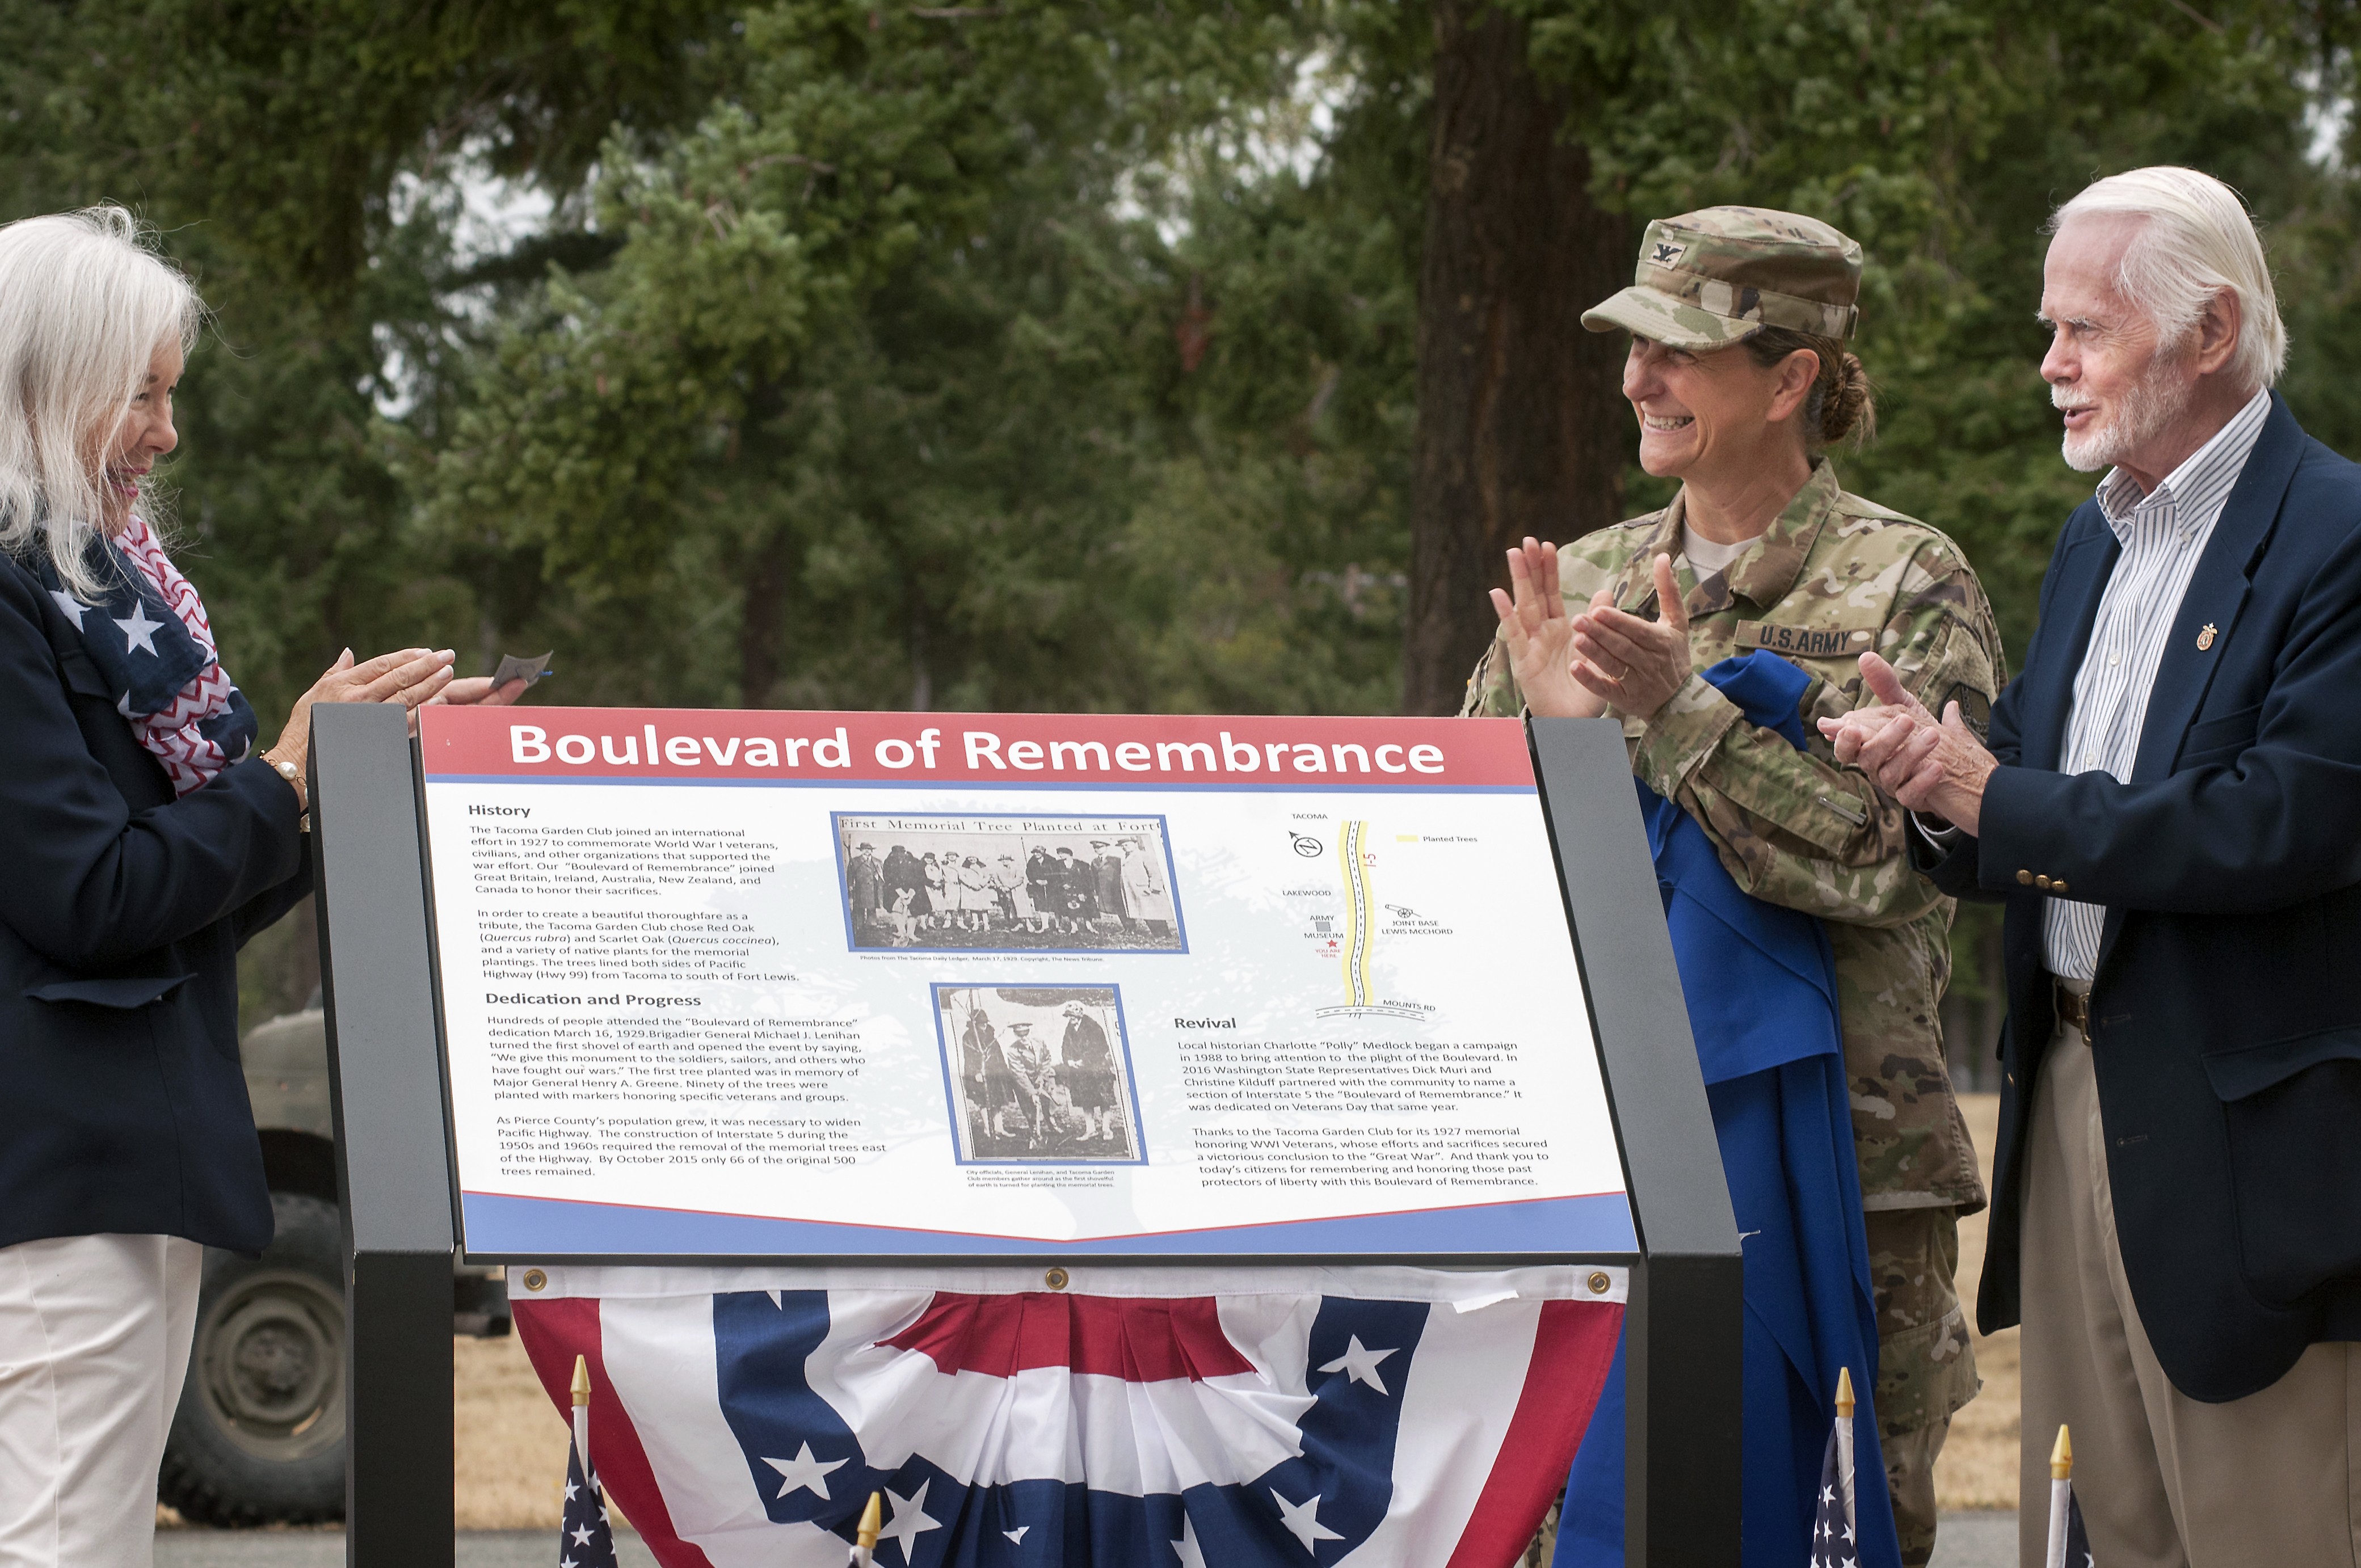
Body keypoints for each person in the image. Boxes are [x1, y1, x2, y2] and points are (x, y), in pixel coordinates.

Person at [1826, 166, 2361, 1565]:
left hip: (2247, 1153)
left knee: (2267, 1536)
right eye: (2046, 329)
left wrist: (1987, 788)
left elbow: (2273, 820)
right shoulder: (2092, 536)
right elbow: (2028, 783)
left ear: (2209, 331)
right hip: (2063, 1102)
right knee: (2089, 1533)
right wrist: (1927, 782)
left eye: (2084, 331)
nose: (2049, 366)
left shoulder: (2337, 537)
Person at [1463, 206, 2003, 1567]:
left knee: (1822, 1524)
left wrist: (1678, 716)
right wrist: (1560, 742)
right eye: (1631, 348)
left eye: (1677, 350)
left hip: (1842, 1175)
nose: (1638, 379)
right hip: (1595, 1167)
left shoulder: (1905, 580)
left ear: (1789, 376)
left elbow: (1888, 860)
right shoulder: (1575, 581)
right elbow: (1466, 888)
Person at [0, 206, 520, 1567]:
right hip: (60, 1179)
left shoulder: (101, 598)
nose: (169, 433)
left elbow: (193, 910)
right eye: (144, 394)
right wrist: (283, 770)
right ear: (43, 385)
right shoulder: (10, 598)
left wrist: (342, 775)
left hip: (130, 1169)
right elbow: (93, 896)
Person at [1057, 1001, 1121, 1143]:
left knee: (1104, 1100)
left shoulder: (1093, 1027)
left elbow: (1099, 1048)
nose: (1070, 1018)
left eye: (1072, 1015)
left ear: (1080, 1014)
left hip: (1097, 1071)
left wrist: (1083, 1061)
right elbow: (1065, 1047)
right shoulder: (1070, 1028)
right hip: (1080, 1073)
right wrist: (1069, 1061)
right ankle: (1090, 1130)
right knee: (1086, 1101)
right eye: (1068, 1016)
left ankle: (1106, 1129)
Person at [1120, 836, 1175, 938]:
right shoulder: (1125, 857)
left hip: (1146, 890)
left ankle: (1165, 935)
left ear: (1135, 844)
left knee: (1155, 913)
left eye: (1126, 845)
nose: (1124, 847)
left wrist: (1153, 888)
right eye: (1122, 846)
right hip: (1136, 891)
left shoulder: (1143, 855)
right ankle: (1157, 935)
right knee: (1146, 914)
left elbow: (1155, 872)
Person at [847, 842, 883, 933]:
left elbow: (882, 874)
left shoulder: (877, 861)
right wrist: (850, 886)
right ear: (861, 851)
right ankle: (859, 926)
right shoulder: (855, 861)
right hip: (860, 889)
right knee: (859, 908)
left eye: (869, 849)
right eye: (865, 849)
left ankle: (872, 924)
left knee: (872, 907)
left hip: (873, 889)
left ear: (872, 851)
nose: (867, 851)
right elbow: (850, 875)